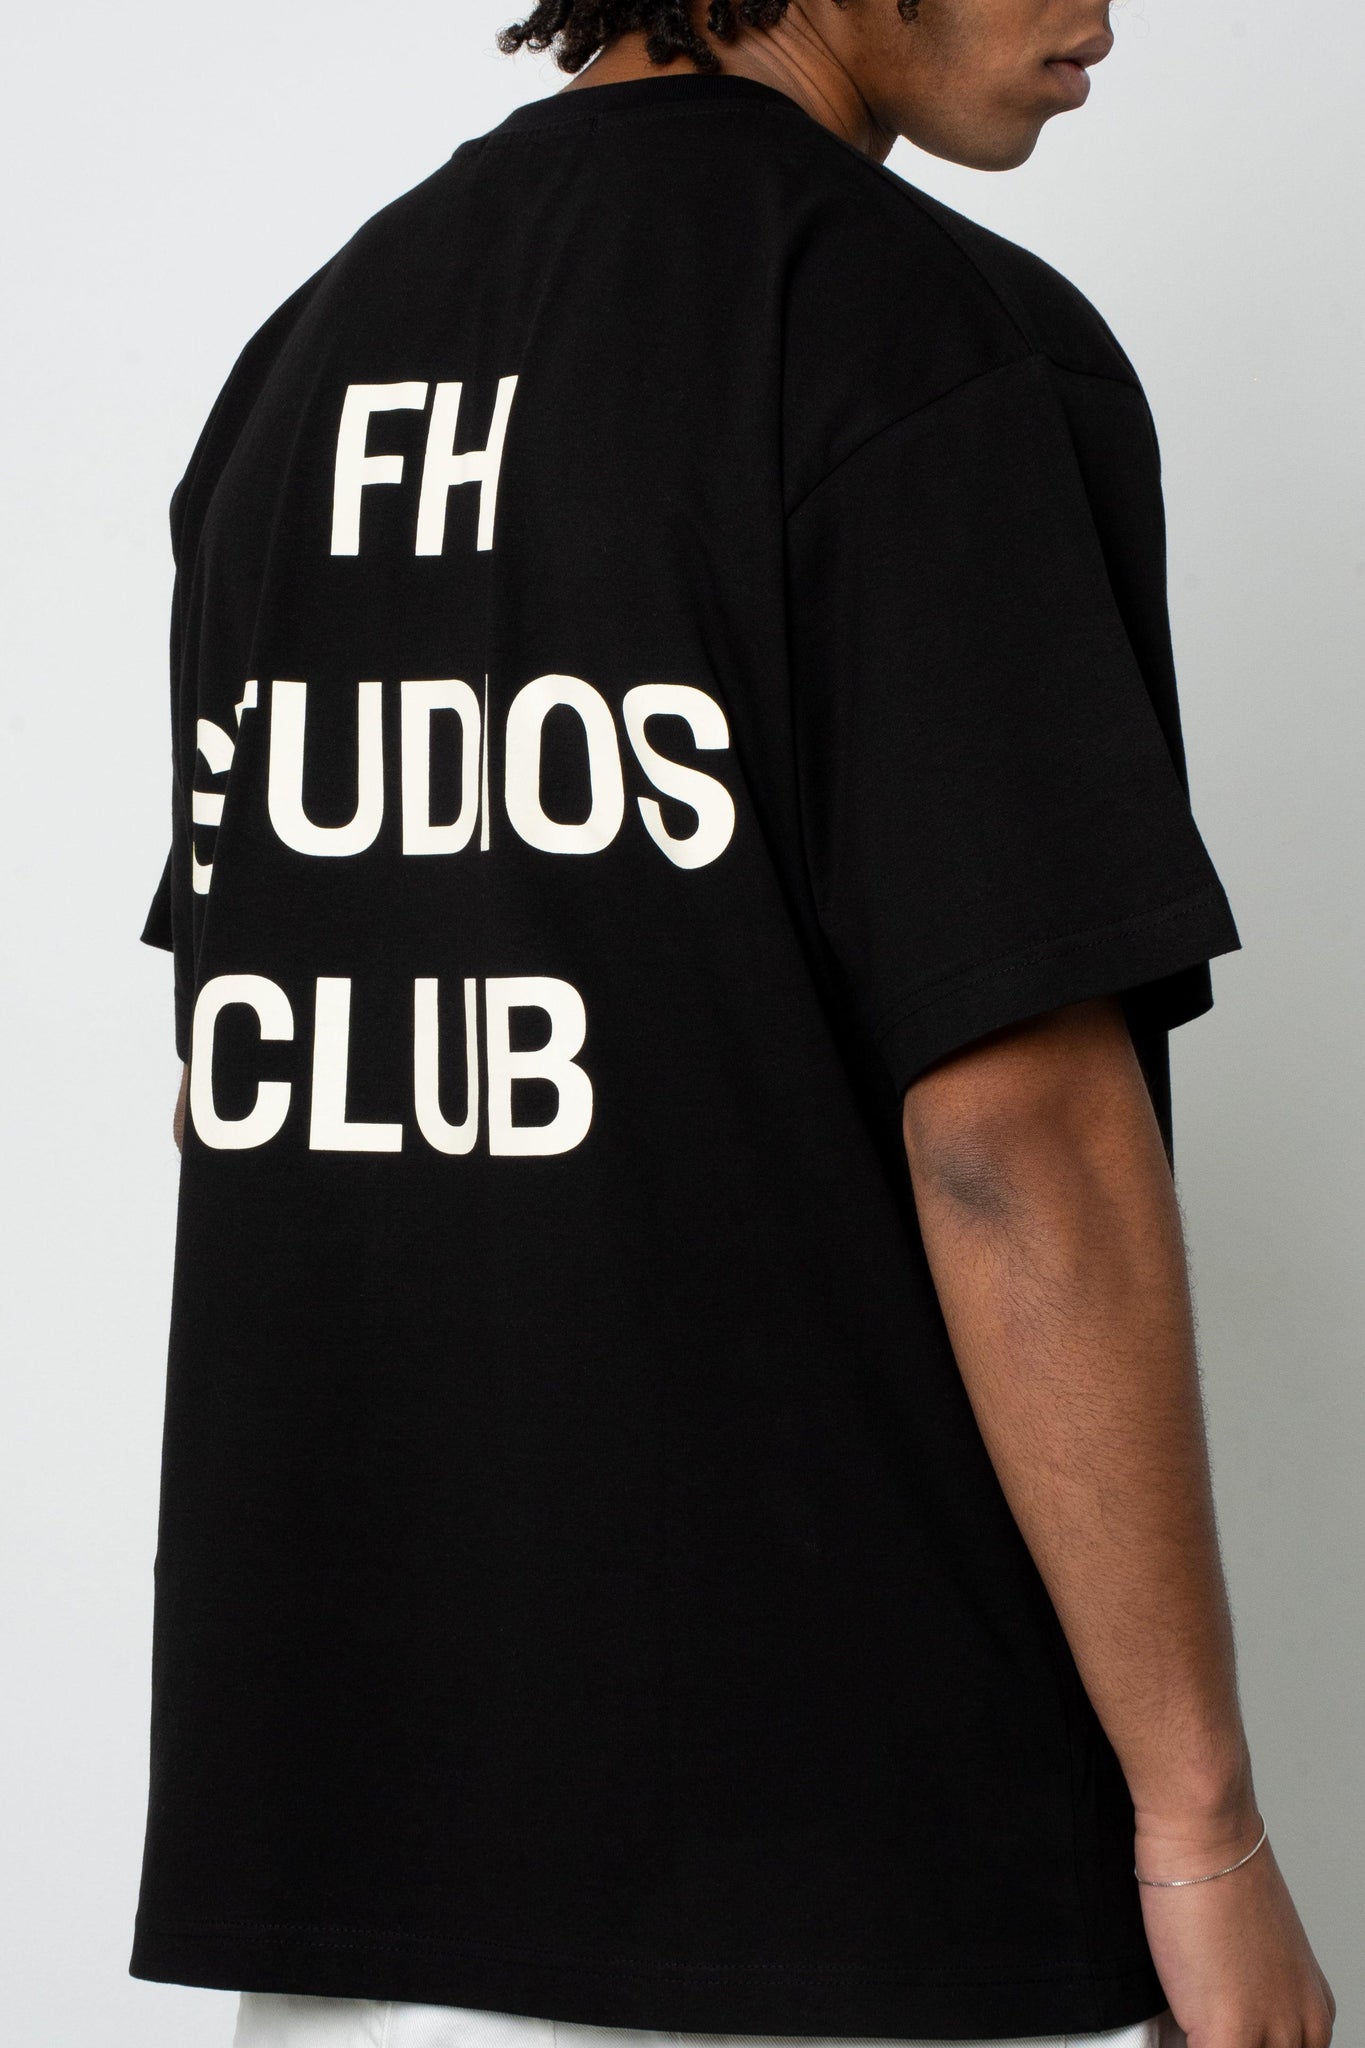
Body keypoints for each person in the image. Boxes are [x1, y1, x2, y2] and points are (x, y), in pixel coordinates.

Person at [134, 3, 1337, 2046]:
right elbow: (1010, 1133)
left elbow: (254, 1056)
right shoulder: (920, 342)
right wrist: (1201, 1832)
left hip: (366, 1886)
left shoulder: (304, 359)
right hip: (855, 1888)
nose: (1102, 12)